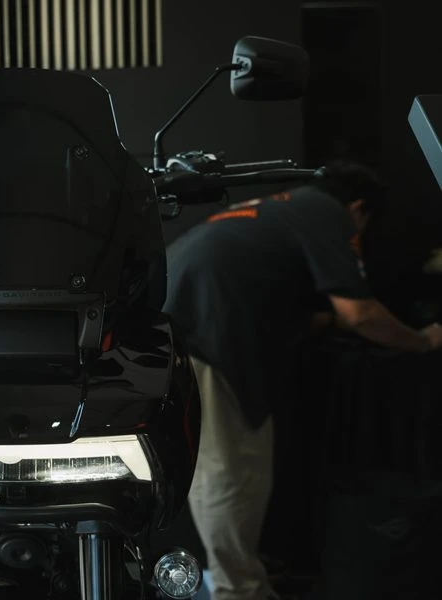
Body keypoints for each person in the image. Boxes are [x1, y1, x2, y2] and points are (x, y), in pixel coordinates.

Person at [162, 160, 442, 600]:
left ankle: (241, 579)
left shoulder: (281, 207)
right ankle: (239, 590)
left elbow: (269, 288)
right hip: (208, 335)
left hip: (186, 324)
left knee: (229, 469)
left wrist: (325, 320)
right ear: (359, 208)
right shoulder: (328, 213)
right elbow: (360, 312)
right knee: (231, 472)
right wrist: (423, 340)